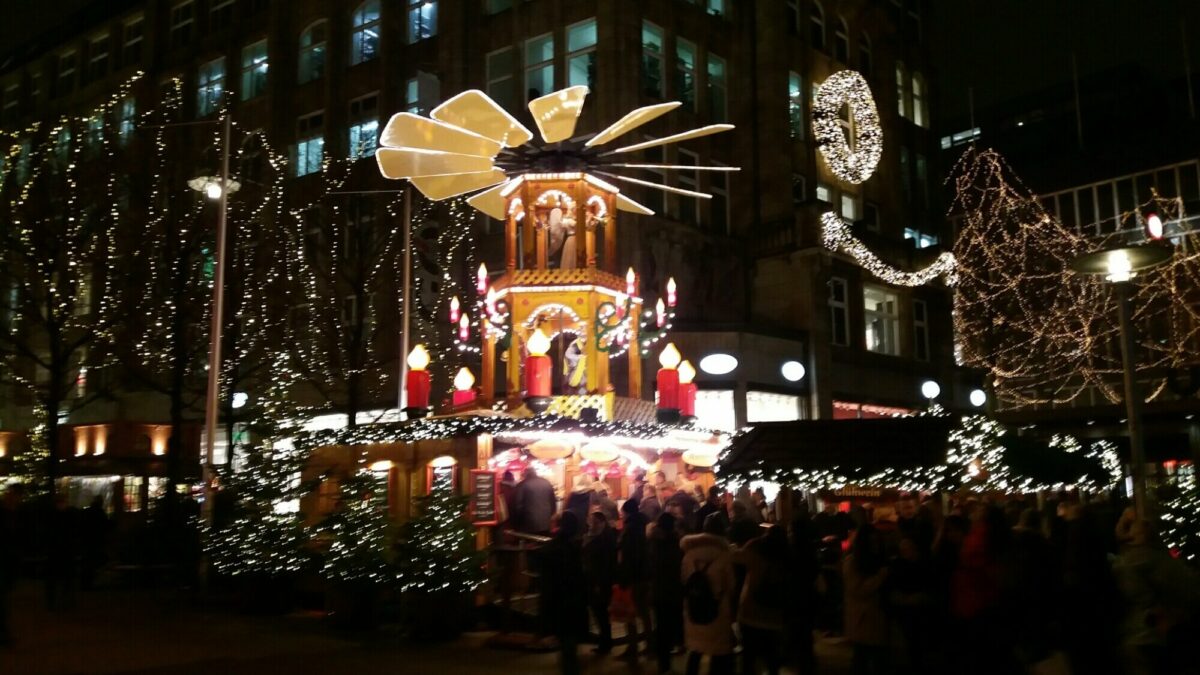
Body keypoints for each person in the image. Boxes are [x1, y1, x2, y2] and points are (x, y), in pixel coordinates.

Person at [1112, 508, 1200, 675]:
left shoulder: (1133, 560)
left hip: (1147, 634)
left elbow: (1141, 598)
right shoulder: (1156, 557)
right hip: (1158, 630)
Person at [681, 513, 736, 675]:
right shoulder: (724, 555)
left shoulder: (689, 554)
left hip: (694, 607)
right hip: (717, 609)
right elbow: (730, 585)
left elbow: (684, 579)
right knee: (718, 652)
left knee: (695, 649)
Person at [734, 524, 790, 675]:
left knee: (749, 657)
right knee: (772, 657)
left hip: (750, 612)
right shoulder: (788, 556)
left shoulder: (754, 550)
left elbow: (735, 557)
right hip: (775, 615)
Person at [541, 511, 588, 675]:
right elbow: (581, 577)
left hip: (559, 603)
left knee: (567, 647)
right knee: (570, 647)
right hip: (574, 602)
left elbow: (547, 582)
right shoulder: (576, 547)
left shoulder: (552, 549)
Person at [843, 523, 889, 675]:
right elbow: (858, 589)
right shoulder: (852, 563)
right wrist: (880, 577)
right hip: (863, 619)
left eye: (877, 542)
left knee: (875, 660)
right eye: (872, 542)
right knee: (862, 659)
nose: (875, 546)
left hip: (876, 619)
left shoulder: (878, 561)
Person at [616, 497, 652, 661]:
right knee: (644, 612)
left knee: (629, 613)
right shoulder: (644, 526)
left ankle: (633, 647)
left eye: (622, 512)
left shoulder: (630, 529)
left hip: (632, 576)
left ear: (627, 512)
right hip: (644, 574)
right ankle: (650, 645)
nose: (621, 515)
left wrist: (623, 576)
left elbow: (628, 556)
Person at [649, 512, 684, 674]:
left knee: (662, 626)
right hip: (673, 591)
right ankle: (671, 651)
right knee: (670, 624)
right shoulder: (676, 544)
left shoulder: (654, 542)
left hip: (659, 590)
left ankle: (664, 662)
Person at [583, 511, 618, 654]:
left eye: (594, 521)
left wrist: (599, 582)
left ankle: (605, 643)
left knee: (600, 612)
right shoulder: (602, 536)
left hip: (599, 581)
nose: (591, 524)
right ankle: (605, 641)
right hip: (597, 580)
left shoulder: (602, 539)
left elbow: (604, 563)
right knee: (601, 612)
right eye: (591, 521)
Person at [514, 467, 557, 536]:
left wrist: (517, 521)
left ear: (525, 474)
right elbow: (553, 501)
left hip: (529, 522)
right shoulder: (546, 482)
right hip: (545, 521)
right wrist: (551, 514)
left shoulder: (522, 485)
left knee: (531, 542)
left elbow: (518, 505)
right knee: (544, 542)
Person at [81, 496, 109, 590]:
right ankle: (90, 582)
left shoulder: (87, 512)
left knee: (87, 562)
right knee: (93, 562)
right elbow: (105, 526)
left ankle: (85, 582)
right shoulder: (101, 513)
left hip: (87, 540)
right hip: (97, 541)